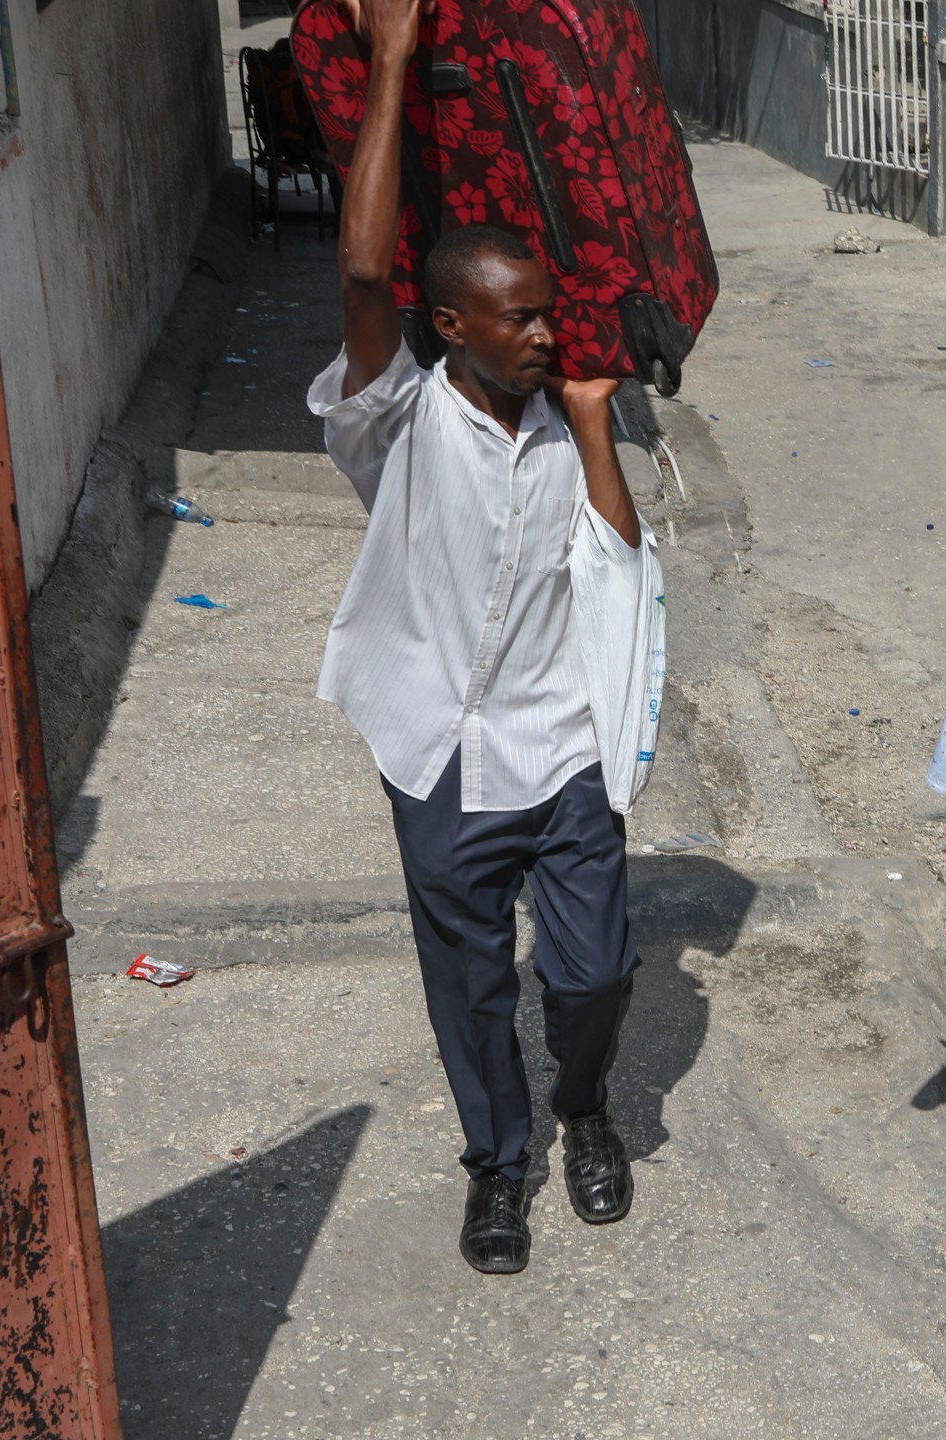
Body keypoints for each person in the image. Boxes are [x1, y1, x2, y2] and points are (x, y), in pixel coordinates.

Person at [311, 0, 655, 1275]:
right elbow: (361, 271)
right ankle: (498, 1169)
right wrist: (393, 56)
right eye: (519, 319)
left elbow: (618, 560)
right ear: (450, 325)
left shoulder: (567, 429)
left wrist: (596, 418)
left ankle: (584, 1106)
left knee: (597, 973)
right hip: (438, 754)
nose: (545, 331)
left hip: (560, 743)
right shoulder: (392, 419)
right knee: (471, 988)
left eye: (548, 313)